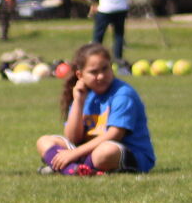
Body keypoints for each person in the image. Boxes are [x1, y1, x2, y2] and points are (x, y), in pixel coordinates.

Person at [35, 42, 155, 176]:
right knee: (44, 141)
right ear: (80, 75)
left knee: (104, 152)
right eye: (94, 72)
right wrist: (78, 101)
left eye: (105, 69)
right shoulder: (84, 93)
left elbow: (114, 135)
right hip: (87, 151)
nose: (101, 76)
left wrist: (73, 154)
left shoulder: (123, 94)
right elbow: (73, 138)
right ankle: (75, 169)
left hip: (124, 151)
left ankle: (66, 168)